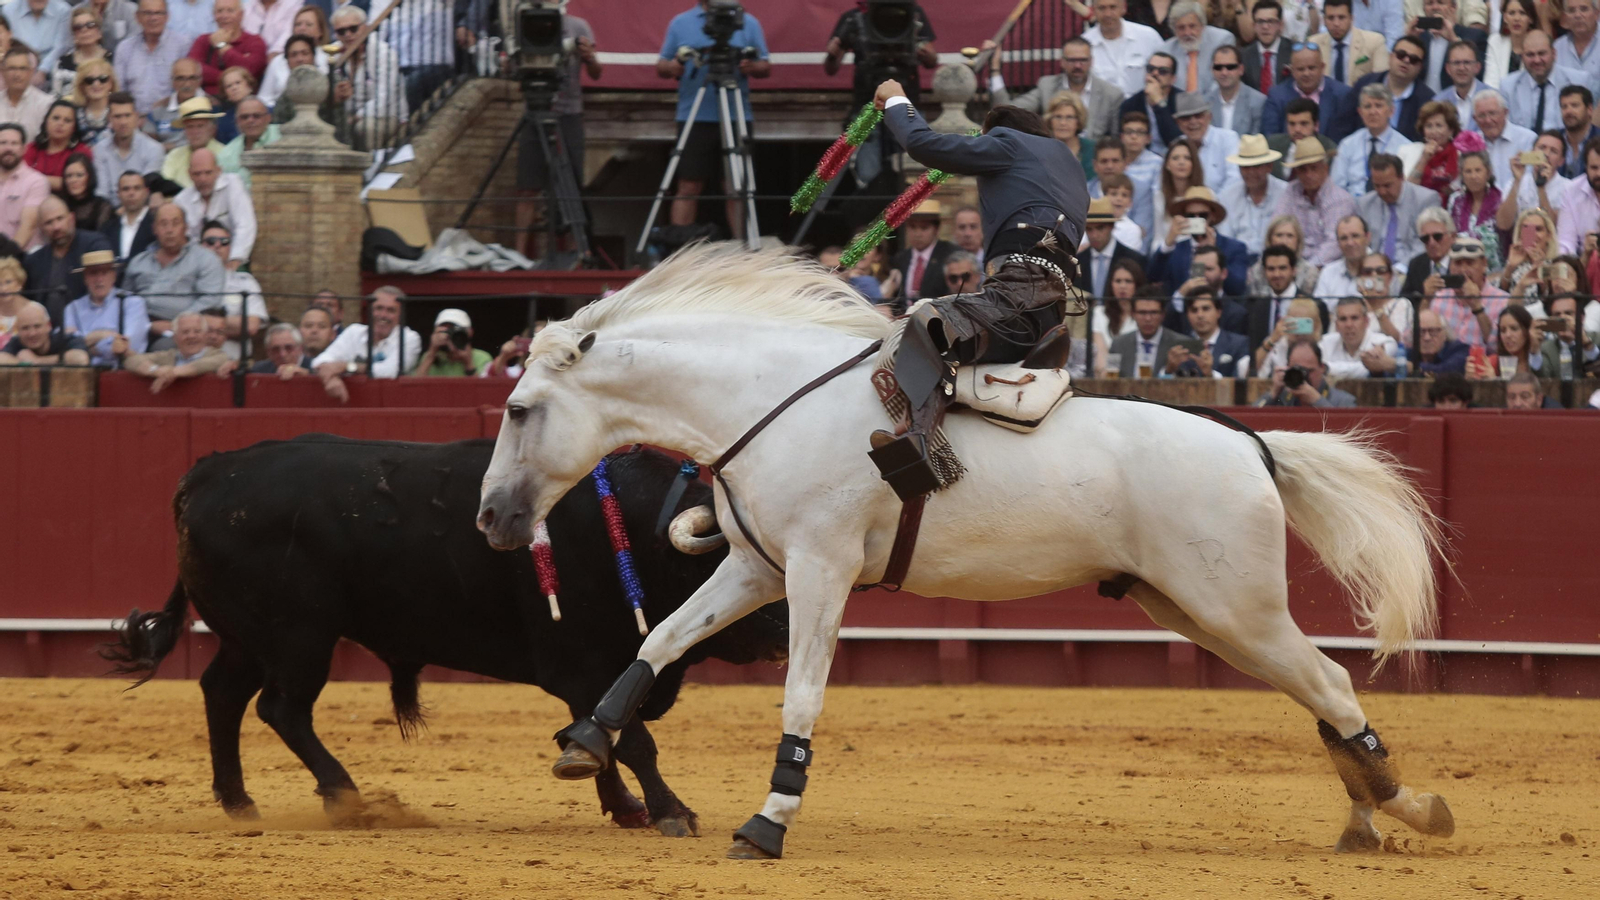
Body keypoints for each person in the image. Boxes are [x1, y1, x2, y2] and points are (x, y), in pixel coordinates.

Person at [867, 80, 1088, 495]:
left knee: (928, 323)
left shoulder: (1008, 142)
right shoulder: (1069, 163)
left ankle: (917, 440)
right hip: (1049, 309)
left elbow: (922, 144)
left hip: (1017, 293)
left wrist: (898, 99)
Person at [655, 0, 769, 241]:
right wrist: (675, 65)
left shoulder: (747, 22)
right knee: (688, 184)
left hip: (736, 113)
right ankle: (680, 247)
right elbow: (662, 65)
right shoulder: (681, 22)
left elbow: (765, 65)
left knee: (737, 186)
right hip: (695, 114)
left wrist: (750, 65)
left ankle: (744, 248)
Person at [510, 6, 596, 260]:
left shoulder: (578, 26)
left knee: (572, 186)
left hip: (569, 113)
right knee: (527, 187)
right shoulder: (521, 24)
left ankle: (576, 249)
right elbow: (514, 71)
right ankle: (518, 253)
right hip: (534, 109)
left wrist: (589, 56)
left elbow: (596, 72)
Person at [990, 36, 1120, 142]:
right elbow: (1009, 111)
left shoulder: (1111, 94)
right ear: (1062, 62)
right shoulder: (1047, 86)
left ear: (1091, 61)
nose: (1078, 65)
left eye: (1083, 60)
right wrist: (995, 69)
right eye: (1072, 60)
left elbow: (1116, 140)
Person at [123, 202, 222, 336]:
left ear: (185, 227)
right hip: (138, 327)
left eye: (175, 223)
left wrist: (178, 323)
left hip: (184, 331)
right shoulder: (138, 262)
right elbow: (125, 299)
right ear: (154, 229)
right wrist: (146, 325)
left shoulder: (205, 259)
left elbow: (210, 300)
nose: (169, 230)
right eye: (163, 224)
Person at [312, 286, 423, 403]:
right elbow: (319, 361)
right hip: (351, 404)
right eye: (378, 308)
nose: (383, 315)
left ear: (400, 315)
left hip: (392, 406)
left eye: (391, 310)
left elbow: (390, 372)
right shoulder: (353, 332)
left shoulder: (409, 338)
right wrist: (331, 378)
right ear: (369, 310)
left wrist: (346, 366)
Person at [330, 5, 407, 152]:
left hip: (385, 115)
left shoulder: (384, 53)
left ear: (365, 28)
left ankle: (370, 171)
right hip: (347, 115)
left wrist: (357, 116)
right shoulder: (332, 53)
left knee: (366, 127)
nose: (347, 34)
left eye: (353, 28)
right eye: (341, 31)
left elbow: (384, 98)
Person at [24, 194, 111, 323]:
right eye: (49, 222)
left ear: (72, 218)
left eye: (60, 219)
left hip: (89, 324)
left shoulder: (94, 244)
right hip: (45, 335)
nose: (56, 227)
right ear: (41, 228)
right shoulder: (33, 261)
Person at [1151, 185, 1249, 297]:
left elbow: (1237, 287)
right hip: (1183, 310)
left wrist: (1214, 252)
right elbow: (1153, 278)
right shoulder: (1175, 249)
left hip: (1220, 309)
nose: (1196, 219)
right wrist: (1168, 242)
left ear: (1212, 216)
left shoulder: (1234, 248)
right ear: (1184, 217)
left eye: (1202, 215)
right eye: (1191, 216)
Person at [1275, 135, 1356, 267]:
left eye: (1314, 168)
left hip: (1327, 268)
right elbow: (1277, 227)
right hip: (1290, 265)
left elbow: (1333, 244)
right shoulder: (1291, 190)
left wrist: (1306, 270)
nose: (1308, 175)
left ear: (1325, 169)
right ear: (1296, 172)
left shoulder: (1340, 199)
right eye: (1303, 169)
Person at [61, 247, 146, 365]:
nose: (99, 279)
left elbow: (128, 346)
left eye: (104, 273)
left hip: (120, 373)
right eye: (93, 273)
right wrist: (103, 335)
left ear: (114, 276)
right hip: (83, 374)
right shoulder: (73, 308)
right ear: (85, 278)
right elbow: (66, 344)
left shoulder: (132, 303)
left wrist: (89, 346)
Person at [1360, 153, 1444, 269]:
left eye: (1387, 185)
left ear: (1401, 178)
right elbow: (1362, 241)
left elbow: (1425, 243)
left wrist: (1400, 269)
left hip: (1410, 267)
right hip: (1373, 268)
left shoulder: (1426, 200)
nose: (1382, 192)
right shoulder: (1365, 203)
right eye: (1377, 186)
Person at [1263, 42, 1358, 141]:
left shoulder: (1343, 94)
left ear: (1322, 67)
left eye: (1311, 68)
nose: (1306, 73)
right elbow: (1271, 138)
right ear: (1291, 70)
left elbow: (1348, 138)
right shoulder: (1276, 96)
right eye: (1300, 69)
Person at [1426, 234, 1507, 348]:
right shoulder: (1438, 298)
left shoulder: (1503, 301)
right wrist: (1426, 300)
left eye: (1470, 263)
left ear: (1484, 264)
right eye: (1458, 263)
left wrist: (1477, 307)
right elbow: (1410, 340)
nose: (1463, 270)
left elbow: (1497, 347)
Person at [173, 146, 251, 263]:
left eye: (208, 173)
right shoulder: (181, 200)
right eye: (197, 174)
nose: (203, 179)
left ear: (218, 171)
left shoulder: (233, 185)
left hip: (232, 259)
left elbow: (245, 226)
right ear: (189, 174)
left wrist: (235, 260)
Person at [1351, 35, 1434, 142]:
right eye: (1401, 55)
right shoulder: (1365, 84)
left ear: (1420, 67)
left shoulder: (1427, 100)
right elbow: (1344, 124)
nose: (1406, 61)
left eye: (1413, 59)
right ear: (1390, 57)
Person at [1499, 30, 1583, 135]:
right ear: (1522, 57)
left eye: (1542, 53)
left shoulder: (1578, 81)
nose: (1537, 60)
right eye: (1530, 55)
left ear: (1554, 53)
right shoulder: (1508, 86)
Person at [115, 0, 190, 116]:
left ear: (167, 16)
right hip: (135, 119)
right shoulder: (124, 48)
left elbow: (187, 85)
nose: (153, 18)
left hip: (173, 117)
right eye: (147, 13)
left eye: (159, 13)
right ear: (137, 17)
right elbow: (119, 90)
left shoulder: (182, 45)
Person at [197, 217, 258, 357]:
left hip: (233, 362)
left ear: (230, 247)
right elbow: (176, 322)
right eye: (210, 241)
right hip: (192, 358)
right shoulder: (186, 280)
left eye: (224, 242)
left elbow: (251, 326)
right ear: (199, 246)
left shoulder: (246, 283)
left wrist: (202, 325)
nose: (217, 245)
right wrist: (228, 326)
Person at [1216, 134, 1286, 256]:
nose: (1251, 173)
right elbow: (1225, 240)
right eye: (1246, 167)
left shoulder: (1286, 193)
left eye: (1257, 166)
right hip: (1237, 259)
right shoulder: (1227, 196)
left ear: (1269, 167)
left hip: (1276, 259)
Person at [1332, 83, 1407, 197]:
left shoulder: (1404, 146)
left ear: (1391, 111)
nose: (1372, 112)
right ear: (1360, 112)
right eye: (1367, 106)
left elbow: (1404, 187)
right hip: (1352, 207)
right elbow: (1336, 186)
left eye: (1378, 106)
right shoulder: (1348, 144)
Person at [121, 307, 223, 389]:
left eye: (197, 331)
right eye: (185, 332)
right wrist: (157, 370)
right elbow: (132, 360)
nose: (191, 336)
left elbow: (207, 364)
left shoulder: (218, 355)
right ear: (175, 337)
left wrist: (172, 373)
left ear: (205, 335)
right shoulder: (168, 355)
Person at [1083, 0, 1165, 97]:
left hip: (1141, 108)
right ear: (1093, 10)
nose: (1107, 14)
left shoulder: (1149, 37)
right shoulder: (1085, 44)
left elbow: (1166, 72)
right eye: (1102, 8)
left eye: (1113, 7)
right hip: (1101, 110)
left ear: (1123, 8)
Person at [1163, 288, 1249, 377]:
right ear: (1187, 315)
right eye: (1194, 310)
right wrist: (1169, 370)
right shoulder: (1179, 347)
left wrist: (1210, 374)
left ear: (1218, 312)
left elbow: (1240, 384)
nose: (1200, 315)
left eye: (1206, 309)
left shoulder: (1238, 344)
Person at [1248, 244, 1315, 354]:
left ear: (1293, 270)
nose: (1277, 274)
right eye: (1271, 269)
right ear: (1264, 272)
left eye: (1282, 268)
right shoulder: (1255, 308)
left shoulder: (1312, 304)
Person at [890, 199, 957, 308]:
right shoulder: (901, 258)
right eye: (913, 227)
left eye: (924, 228)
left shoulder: (949, 255)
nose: (918, 234)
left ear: (936, 229)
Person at [256, 4, 326, 108]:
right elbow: (264, 99)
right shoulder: (278, 61)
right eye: (298, 24)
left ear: (320, 31)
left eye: (308, 24)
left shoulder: (326, 58)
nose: (302, 28)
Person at [1413, 0, 1488, 95]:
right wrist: (1409, 38)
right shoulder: (1419, 37)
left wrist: (1454, 40)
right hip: (1423, 103)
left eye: (1440, 3)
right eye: (1429, 3)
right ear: (1424, 9)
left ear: (1453, 7)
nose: (1435, 7)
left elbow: (1479, 73)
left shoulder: (1474, 36)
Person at [1160, 1, 1235, 96]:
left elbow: (1223, 79)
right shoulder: (1166, 50)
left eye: (1192, 26)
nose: (1187, 33)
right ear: (1174, 30)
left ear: (1202, 25)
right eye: (1181, 28)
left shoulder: (1222, 40)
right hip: (1179, 107)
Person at [1077, 196, 1145, 297]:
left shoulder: (1135, 260)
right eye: (1089, 229)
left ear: (1111, 226)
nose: (1094, 235)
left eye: (1100, 228)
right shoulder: (1077, 263)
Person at [1172, 90, 1238, 193]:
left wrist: (1211, 204)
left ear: (1209, 117)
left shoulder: (1228, 139)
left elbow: (1234, 180)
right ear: (1178, 123)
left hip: (1223, 205)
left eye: (1198, 116)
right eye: (1186, 118)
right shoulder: (1176, 145)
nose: (1193, 122)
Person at [188, 0, 260, 94]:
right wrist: (232, 78)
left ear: (241, 14)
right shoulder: (203, 40)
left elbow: (251, 71)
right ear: (214, 15)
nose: (224, 16)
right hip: (208, 100)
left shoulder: (255, 41)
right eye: (219, 11)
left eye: (230, 11)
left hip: (242, 102)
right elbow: (193, 69)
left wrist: (222, 46)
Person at [1311, 0, 1389, 86]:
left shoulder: (1375, 42)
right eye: (1330, 18)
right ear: (1324, 20)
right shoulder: (1314, 44)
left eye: (1341, 17)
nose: (1336, 23)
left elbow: (1381, 81)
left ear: (1351, 18)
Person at [1320, 294, 1400, 378]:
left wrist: (1327, 368)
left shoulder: (1385, 342)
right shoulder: (1325, 342)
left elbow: (1368, 369)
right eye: (1343, 319)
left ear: (1366, 321)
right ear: (1336, 325)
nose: (1349, 325)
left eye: (1354, 318)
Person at [1120, 50, 1183, 154]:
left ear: (1173, 79)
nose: (1155, 73)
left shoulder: (1183, 100)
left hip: (1175, 156)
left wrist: (1159, 104)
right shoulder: (1130, 105)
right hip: (1141, 157)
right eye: (1150, 69)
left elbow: (1176, 140)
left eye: (1163, 71)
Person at [1447, 149, 1502, 267]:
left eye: (1478, 170)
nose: (1473, 176)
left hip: (1494, 267)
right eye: (1468, 171)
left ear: (1488, 173)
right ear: (1462, 174)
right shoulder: (1455, 200)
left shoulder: (1500, 199)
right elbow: (1450, 236)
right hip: (1462, 264)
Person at [1258, 340, 1357, 406]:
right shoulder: (1282, 399)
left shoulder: (1343, 401)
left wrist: (1318, 402)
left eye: (1309, 371)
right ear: (1287, 368)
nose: (1303, 376)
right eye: (1297, 370)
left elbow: (1343, 430)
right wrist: (1273, 393)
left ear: (1322, 368)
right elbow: (1250, 422)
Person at [24, 100, 93, 194]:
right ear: (46, 121)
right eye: (56, 118)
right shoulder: (32, 148)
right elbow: (19, 178)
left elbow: (74, 183)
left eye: (67, 120)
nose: (60, 124)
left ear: (74, 127)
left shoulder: (81, 151)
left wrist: (33, 179)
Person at [1110, 292, 1185, 376]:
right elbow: (1110, 379)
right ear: (1133, 314)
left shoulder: (1180, 344)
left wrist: (1168, 371)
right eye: (1142, 313)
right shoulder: (1118, 344)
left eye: (1154, 313)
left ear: (1163, 315)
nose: (1148, 319)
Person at [1246, 214, 1321, 298]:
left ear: (1298, 241)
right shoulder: (1256, 271)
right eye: (1279, 235)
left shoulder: (1310, 272)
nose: (1284, 241)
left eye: (1290, 236)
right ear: (1270, 239)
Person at [0, 122, 48, 253]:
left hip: (21, 258)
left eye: (14, 143)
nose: (8, 148)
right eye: (3, 143)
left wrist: (5, 258)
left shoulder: (36, 181)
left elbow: (28, 227)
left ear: (24, 149)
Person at [1472, 89, 1535, 189]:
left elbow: (1532, 179)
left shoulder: (1527, 139)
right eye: (1482, 115)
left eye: (1492, 113)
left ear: (1505, 113)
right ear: (1474, 119)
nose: (1488, 120)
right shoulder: (1471, 144)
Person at [1149, 136, 1200, 255]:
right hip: (1169, 256)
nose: (1181, 162)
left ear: (1194, 164)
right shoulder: (1159, 197)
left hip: (1198, 257)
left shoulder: (1207, 194)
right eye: (1175, 158)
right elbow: (1158, 239)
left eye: (1187, 158)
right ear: (1167, 165)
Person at [52, 6, 116, 99]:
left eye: (90, 25)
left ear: (99, 31)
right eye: (78, 27)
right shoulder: (62, 63)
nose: (84, 30)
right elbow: (57, 96)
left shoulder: (113, 61)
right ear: (73, 35)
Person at [1312, 215, 1374, 310]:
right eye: (1344, 238)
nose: (1350, 243)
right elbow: (1319, 313)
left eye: (1355, 236)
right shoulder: (1328, 273)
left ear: (1367, 237)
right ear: (1338, 242)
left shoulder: (1383, 269)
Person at [1264, 97, 1336, 180]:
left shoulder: (1329, 150)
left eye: (1304, 123)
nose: (1297, 129)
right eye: (1292, 124)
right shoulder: (1273, 145)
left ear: (1316, 125)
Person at [0, 299, 89, 364]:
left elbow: (81, 358)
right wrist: (21, 363)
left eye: (37, 326)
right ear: (17, 330)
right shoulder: (17, 342)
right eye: (25, 328)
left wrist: (37, 361)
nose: (32, 333)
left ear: (49, 326)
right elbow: (2, 359)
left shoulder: (64, 339)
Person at [1093, 257, 1142, 373]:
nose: (1122, 286)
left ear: (1137, 284)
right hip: (1106, 375)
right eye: (1118, 281)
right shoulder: (1099, 313)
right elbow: (1100, 354)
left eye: (1128, 281)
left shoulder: (1143, 315)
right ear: (1111, 284)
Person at [1203, 43, 1265, 135]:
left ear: (1241, 69)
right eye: (1218, 67)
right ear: (1212, 70)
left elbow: (1257, 141)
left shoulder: (1258, 102)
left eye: (1230, 67)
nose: (1224, 72)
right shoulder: (1204, 103)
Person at [1400, 205, 1458, 299]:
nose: (1432, 243)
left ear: (1453, 236)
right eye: (1425, 238)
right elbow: (1405, 302)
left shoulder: (1463, 263)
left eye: (1437, 236)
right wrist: (1425, 295)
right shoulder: (1416, 264)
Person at [1410, 101, 1464, 203]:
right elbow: (1407, 191)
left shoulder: (1461, 155)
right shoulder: (1411, 151)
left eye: (1439, 125)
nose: (1434, 131)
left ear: (1451, 130)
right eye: (1429, 126)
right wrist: (1423, 159)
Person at [415, 307, 491, 377]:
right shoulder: (429, 357)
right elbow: (414, 388)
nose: (449, 335)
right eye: (445, 329)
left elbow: (482, 390)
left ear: (469, 332)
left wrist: (468, 363)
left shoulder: (481, 357)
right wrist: (432, 352)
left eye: (454, 329)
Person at [145, 55, 203, 147]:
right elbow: (147, 144)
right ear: (172, 81)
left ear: (200, 80)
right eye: (180, 78)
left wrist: (173, 147)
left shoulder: (212, 106)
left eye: (192, 78)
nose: (187, 84)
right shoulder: (158, 109)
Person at [3, 0, 70, 77]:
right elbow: (6, 42)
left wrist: (43, 70)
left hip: (51, 71)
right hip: (17, 67)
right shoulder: (9, 10)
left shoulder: (63, 10)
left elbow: (61, 46)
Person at [1355, 251, 1411, 344]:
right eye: (1367, 272)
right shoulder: (1352, 305)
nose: (1374, 276)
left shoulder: (1401, 304)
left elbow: (1398, 340)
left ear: (1390, 276)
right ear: (1360, 276)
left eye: (1381, 271)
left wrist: (1376, 307)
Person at [100, 168, 153, 265]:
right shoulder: (107, 228)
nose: (131, 193)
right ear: (118, 194)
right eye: (126, 189)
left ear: (146, 192)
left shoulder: (156, 225)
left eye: (137, 188)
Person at [1557, 137, 1600, 256]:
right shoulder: (1571, 191)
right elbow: (1565, 243)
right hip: (1583, 264)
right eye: (1594, 167)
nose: (1598, 173)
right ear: (1586, 167)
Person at [0, 46, 52, 143]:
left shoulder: (46, 104)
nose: (17, 74)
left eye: (22, 69)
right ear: (2, 72)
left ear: (31, 72)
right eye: (12, 68)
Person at [1436, 40, 1489, 133]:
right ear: (1448, 69)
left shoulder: (1493, 99)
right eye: (1456, 63)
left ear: (1477, 67)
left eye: (1467, 62)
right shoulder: (1438, 102)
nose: (1461, 68)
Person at [1241, 0, 1291, 92]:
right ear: (1254, 26)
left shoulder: (1293, 52)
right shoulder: (1244, 56)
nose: (1265, 27)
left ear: (1280, 25)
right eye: (1260, 21)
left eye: (1270, 21)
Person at [1485, 0, 1538, 87]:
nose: (1517, 18)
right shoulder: (1495, 41)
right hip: (1498, 98)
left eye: (1522, 13)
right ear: (1505, 17)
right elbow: (1491, 81)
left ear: (1531, 18)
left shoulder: (1538, 44)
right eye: (1512, 13)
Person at [1047, 91, 1097, 180]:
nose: (1063, 123)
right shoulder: (1041, 149)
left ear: (1078, 121)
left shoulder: (1093, 149)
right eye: (1058, 117)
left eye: (1069, 117)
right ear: (1050, 120)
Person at [68, 59, 117, 146]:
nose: (96, 84)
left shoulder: (120, 112)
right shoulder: (72, 115)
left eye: (103, 79)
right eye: (89, 80)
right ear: (81, 86)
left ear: (111, 83)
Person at [1554, 0, 1600, 90]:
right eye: (1571, 10)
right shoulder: (1557, 47)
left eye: (1584, 9)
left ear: (1596, 14)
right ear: (1565, 17)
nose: (1577, 15)